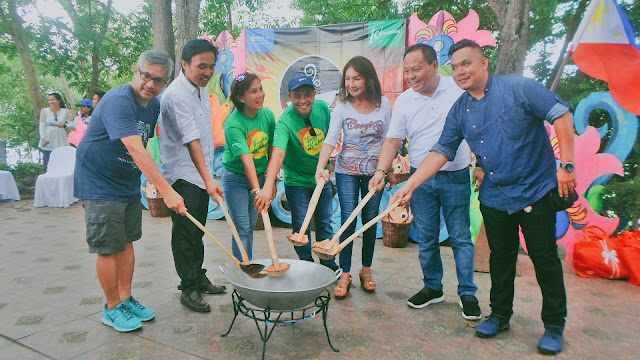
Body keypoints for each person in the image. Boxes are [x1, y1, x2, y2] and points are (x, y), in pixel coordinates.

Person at [389, 40, 575, 355]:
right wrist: (411, 184)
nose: (461, 71)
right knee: (500, 259)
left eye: (467, 63)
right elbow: (441, 152)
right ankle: (500, 315)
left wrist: (567, 167)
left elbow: (561, 115)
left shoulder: (519, 88)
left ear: (483, 63)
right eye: (456, 65)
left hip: (536, 190)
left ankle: (554, 325)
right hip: (496, 196)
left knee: (544, 259)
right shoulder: (461, 109)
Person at [74, 50, 187, 333]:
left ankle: (125, 299)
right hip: (99, 181)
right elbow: (136, 149)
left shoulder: (153, 105)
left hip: (125, 181)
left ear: (165, 82)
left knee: (126, 242)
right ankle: (112, 308)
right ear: (136, 71)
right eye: (146, 75)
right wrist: (166, 191)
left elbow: (151, 145)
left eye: (158, 80)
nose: (150, 83)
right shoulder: (118, 101)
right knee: (109, 246)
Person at [369, 43, 481, 320]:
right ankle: (433, 287)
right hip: (420, 178)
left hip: (455, 175)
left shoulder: (458, 91)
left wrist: (482, 165)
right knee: (427, 236)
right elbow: (393, 140)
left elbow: (478, 130)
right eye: (406, 71)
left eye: (416, 69)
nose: (410, 76)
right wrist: (380, 172)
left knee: (460, 236)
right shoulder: (405, 100)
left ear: (434, 66)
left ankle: (467, 293)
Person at [315, 56, 390, 299]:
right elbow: (330, 139)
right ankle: (345, 272)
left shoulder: (384, 105)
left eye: (356, 78)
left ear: (368, 79)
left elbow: (390, 140)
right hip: (346, 171)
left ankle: (365, 270)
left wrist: (386, 170)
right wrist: (321, 166)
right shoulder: (343, 106)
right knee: (348, 220)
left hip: (374, 174)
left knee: (369, 221)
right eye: (347, 79)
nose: (351, 83)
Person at [160, 39, 227, 313]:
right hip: (183, 177)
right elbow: (192, 140)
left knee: (197, 231)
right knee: (185, 234)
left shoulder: (199, 90)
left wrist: (208, 176)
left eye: (211, 66)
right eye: (202, 66)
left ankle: (198, 276)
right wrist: (209, 179)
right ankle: (188, 288)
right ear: (184, 64)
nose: (208, 72)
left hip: (200, 175)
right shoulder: (176, 95)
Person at [255, 73, 338, 271]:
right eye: (297, 96)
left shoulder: (323, 108)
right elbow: (278, 153)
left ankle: (328, 265)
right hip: (297, 182)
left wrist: (327, 166)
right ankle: (307, 266)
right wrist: (269, 184)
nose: (303, 100)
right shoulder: (285, 123)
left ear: (314, 94)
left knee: (325, 224)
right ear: (289, 98)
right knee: (301, 226)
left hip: (321, 179)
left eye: (307, 94)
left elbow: (329, 138)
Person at [221, 72, 275, 261]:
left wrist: (270, 181)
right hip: (235, 179)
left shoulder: (267, 115)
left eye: (260, 89)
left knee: (250, 226)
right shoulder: (233, 124)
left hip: (259, 176)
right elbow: (247, 160)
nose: (260, 95)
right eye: (253, 91)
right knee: (242, 227)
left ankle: (246, 264)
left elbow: (271, 149)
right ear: (241, 98)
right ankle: (243, 272)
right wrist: (257, 190)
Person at [39, 92, 73, 170]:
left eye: (52, 100)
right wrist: (43, 138)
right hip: (49, 137)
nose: (50, 102)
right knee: (49, 160)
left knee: (62, 160)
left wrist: (64, 125)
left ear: (59, 101)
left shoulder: (65, 111)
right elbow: (42, 125)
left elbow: (72, 125)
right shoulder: (44, 111)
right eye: (49, 100)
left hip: (61, 137)